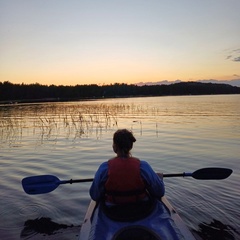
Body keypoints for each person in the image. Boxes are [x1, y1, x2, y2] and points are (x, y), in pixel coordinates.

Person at [90, 129, 165, 205]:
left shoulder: (105, 168)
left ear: (115, 147)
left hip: (112, 211)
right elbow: (160, 192)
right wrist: (159, 180)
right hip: (141, 209)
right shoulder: (143, 166)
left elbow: (94, 195)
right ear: (131, 146)